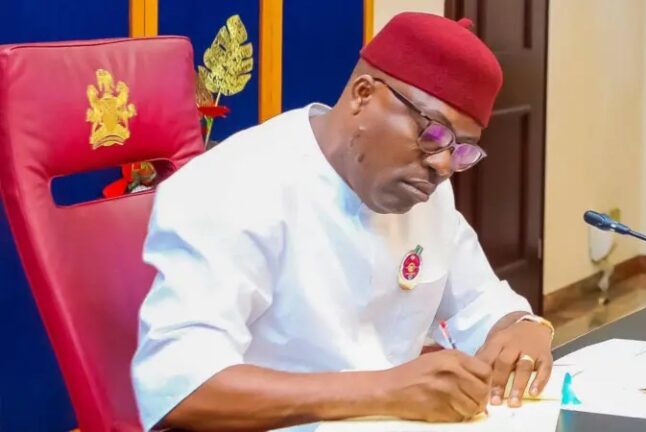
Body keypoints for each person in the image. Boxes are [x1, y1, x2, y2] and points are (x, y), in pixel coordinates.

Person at [131, 12, 555, 432]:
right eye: (433, 134)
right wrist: (383, 391)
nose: (443, 165)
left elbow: (483, 305)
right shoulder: (233, 186)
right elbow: (182, 387)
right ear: (362, 95)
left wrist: (524, 328)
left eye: (461, 150)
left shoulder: (426, 194)